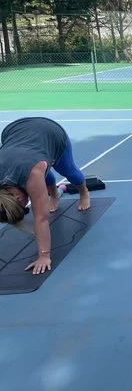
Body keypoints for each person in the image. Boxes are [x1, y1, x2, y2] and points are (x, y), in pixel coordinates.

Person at [0, 117, 91, 275]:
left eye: (24, 208)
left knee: (69, 171)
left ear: (18, 198)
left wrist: (44, 256)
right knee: (41, 169)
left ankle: (84, 191)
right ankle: (54, 194)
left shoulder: (33, 174)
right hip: (14, 133)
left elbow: (41, 219)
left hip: (50, 132)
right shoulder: (32, 173)